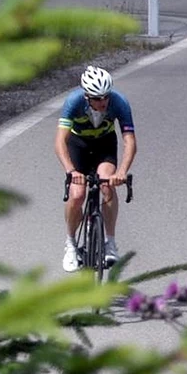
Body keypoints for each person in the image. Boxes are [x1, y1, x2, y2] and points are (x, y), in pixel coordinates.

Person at [55, 65, 136, 271]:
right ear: (86, 96)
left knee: (108, 186)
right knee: (77, 195)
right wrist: (71, 171)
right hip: (78, 145)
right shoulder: (73, 102)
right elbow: (60, 142)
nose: (103, 102)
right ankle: (71, 244)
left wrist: (122, 171)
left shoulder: (119, 102)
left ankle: (110, 243)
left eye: (106, 97)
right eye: (97, 98)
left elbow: (130, 141)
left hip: (104, 144)